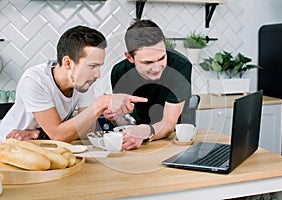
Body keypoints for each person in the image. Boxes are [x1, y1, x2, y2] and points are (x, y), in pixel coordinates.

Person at [0, 25, 147, 143]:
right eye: (92, 66)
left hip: (43, 145)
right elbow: (58, 135)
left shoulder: (83, 81)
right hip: (10, 145)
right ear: (68, 63)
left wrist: (38, 134)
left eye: (99, 66)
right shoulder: (35, 80)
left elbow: (85, 132)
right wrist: (101, 103)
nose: (98, 74)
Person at [105, 19, 193, 150]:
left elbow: (168, 123)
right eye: (148, 62)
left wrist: (144, 132)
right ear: (129, 57)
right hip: (136, 139)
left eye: (162, 58)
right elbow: (125, 120)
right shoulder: (119, 72)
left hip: (174, 139)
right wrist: (115, 117)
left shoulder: (180, 67)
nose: (157, 67)